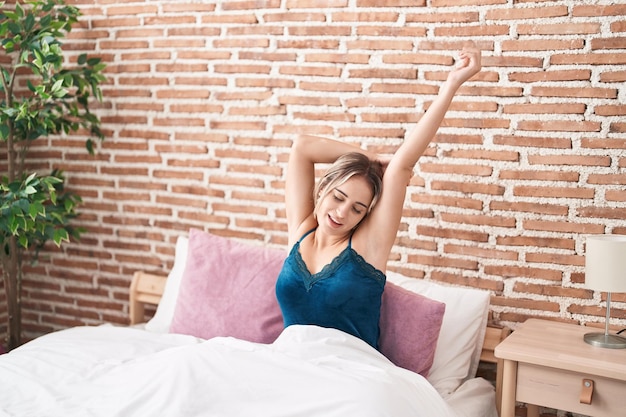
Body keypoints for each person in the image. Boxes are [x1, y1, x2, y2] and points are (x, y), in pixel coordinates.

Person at [275, 46, 482, 350]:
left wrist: (452, 84)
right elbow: (302, 147)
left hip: (348, 372)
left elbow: (402, 166)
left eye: (357, 209)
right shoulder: (301, 229)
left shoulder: (365, 247)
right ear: (322, 191)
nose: (342, 213)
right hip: (288, 363)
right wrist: (369, 159)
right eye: (338, 197)